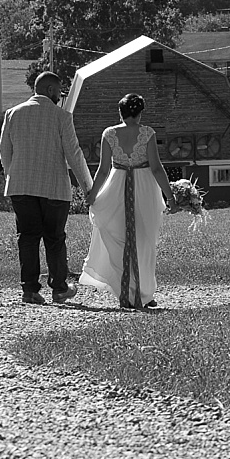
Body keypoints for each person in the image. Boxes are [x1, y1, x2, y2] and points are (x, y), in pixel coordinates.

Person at [0, 72, 94, 305]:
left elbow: (4, 151)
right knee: (55, 238)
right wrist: (88, 188)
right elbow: (74, 154)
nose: (60, 96)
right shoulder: (61, 116)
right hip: (54, 187)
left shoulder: (13, 114)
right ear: (51, 90)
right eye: (59, 91)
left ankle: (29, 290)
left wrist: (13, 175)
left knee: (27, 238)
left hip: (20, 186)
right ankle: (59, 288)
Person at [79, 93, 171, 310]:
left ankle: (126, 291)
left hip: (117, 185)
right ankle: (144, 293)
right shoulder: (147, 133)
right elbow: (157, 168)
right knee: (144, 240)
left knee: (119, 239)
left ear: (120, 112)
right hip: (145, 186)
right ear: (140, 113)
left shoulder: (109, 134)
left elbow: (103, 170)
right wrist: (170, 195)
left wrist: (92, 196)